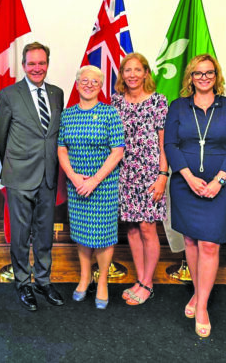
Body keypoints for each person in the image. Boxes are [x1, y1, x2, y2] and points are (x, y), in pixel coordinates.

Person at [164, 54, 226, 338]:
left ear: (216, 75)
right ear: (190, 78)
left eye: (209, 73)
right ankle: (197, 294)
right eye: (198, 73)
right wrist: (188, 176)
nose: (204, 77)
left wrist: (219, 180)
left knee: (210, 244)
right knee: (191, 241)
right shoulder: (178, 107)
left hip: (220, 185)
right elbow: (170, 144)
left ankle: (203, 305)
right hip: (185, 185)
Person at [0, 42, 65, 311]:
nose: (37, 68)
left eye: (42, 63)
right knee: (21, 234)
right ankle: (23, 282)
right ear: (23, 65)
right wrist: (15, 162)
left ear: (48, 64)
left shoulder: (57, 94)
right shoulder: (9, 94)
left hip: (49, 174)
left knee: (45, 233)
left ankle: (43, 281)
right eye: (32, 63)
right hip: (20, 174)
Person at [57, 65, 125, 309]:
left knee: (104, 236)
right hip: (76, 184)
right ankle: (85, 277)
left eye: (94, 81)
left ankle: (103, 280)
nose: (88, 84)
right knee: (83, 234)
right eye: (83, 80)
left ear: (100, 86)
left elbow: (118, 150)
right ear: (76, 84)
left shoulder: (110, 114)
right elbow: (61, 148)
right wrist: (75, 178)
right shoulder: (67, 115)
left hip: (103, 185)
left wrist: (95, 180)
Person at [111, 53, 169, 306]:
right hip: (123, 173)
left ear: (146, 73)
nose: (132, 74)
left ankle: (148, 282)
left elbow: (163, 143)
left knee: (147, 227)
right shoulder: (115, 103)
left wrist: (162, 176)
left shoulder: (158, 101)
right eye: (127, 70)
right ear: (122, 75)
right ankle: (140, 278)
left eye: (137, 69)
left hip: (149, 173)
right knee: (132, 228)